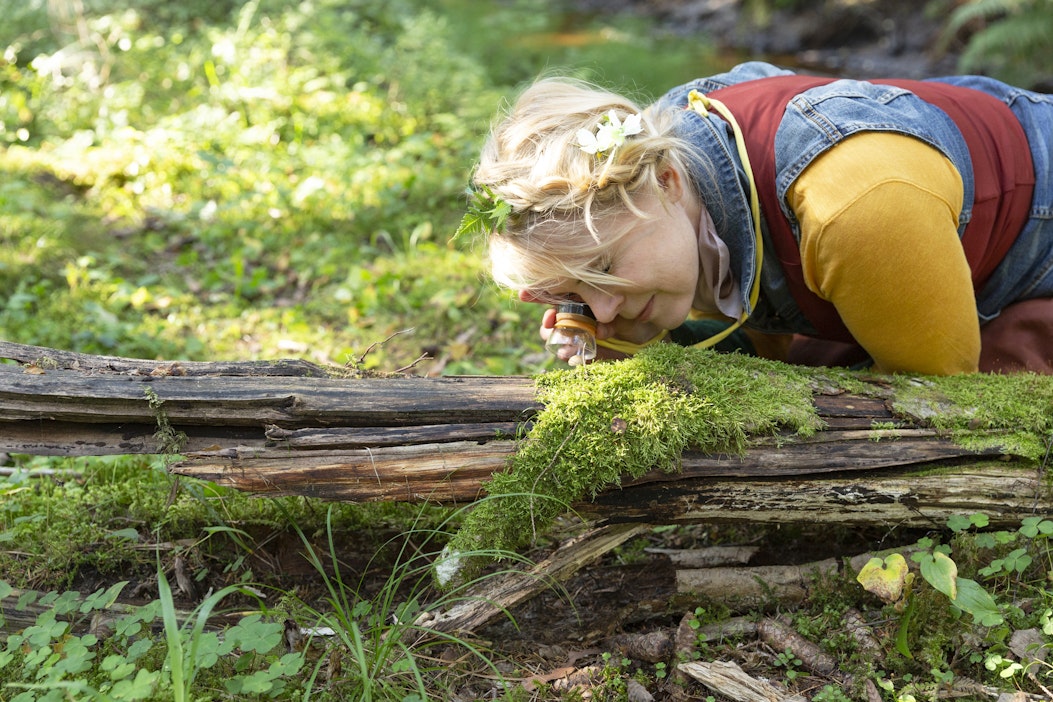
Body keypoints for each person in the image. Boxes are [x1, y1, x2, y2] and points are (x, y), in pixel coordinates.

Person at [462, 62, 1053, 374]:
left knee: (1003, 383)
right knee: (812, 363)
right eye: (576, 291)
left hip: (1031, 234)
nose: (605, 308)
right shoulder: (672, 169)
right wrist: (632, 345)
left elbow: (940, 405)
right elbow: (755, 316)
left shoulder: (852, 208)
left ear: (666, 181)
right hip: (917, 244)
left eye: (605, 266)